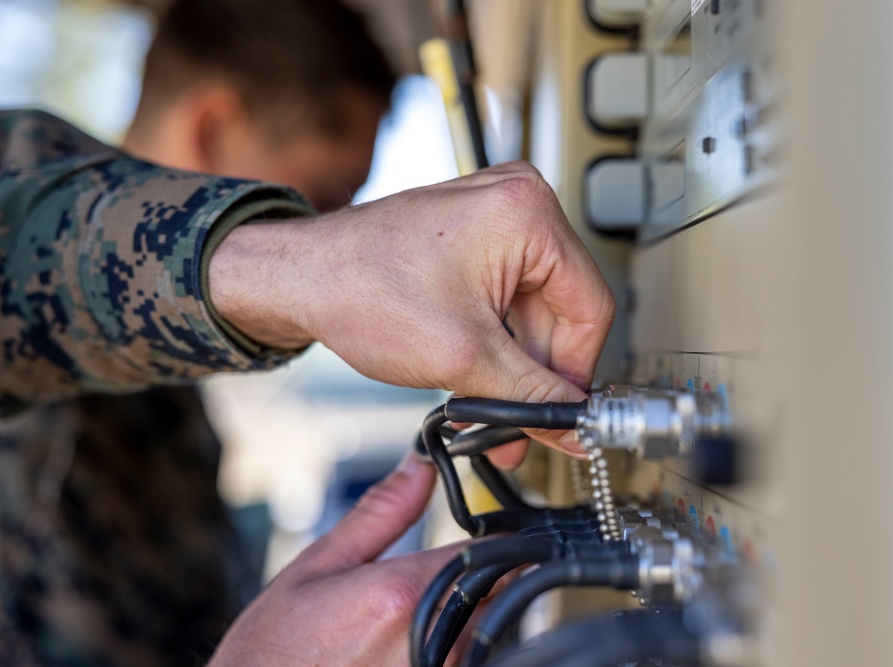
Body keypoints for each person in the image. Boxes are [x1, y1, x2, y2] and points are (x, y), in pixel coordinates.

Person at [0, 9, 614, 667]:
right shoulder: (36, 233)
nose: (340, 228)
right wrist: (298, 265)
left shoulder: (168, 404)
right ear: (213, 127)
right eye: (323, 200)